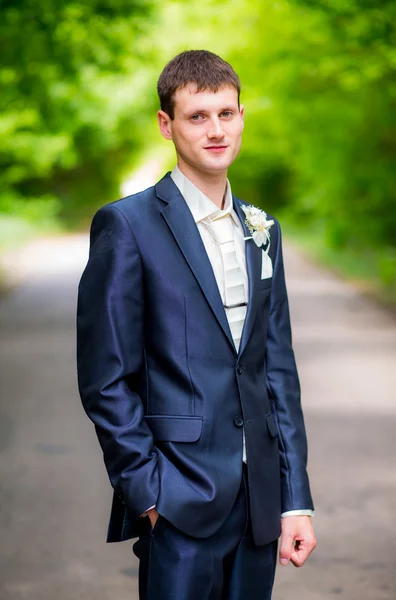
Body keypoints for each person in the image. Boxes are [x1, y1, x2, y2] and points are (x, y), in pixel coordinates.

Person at [77, 49, 316, 600]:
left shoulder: (263, 229)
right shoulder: (127, 225)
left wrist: (295, 498)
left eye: (226, 114)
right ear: (167, 124)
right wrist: (148, 493)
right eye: (197, 116)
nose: (215, 130)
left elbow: (276, 367)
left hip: (260, 503)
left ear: (241, 117)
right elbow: (104, 376)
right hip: (178, 497)